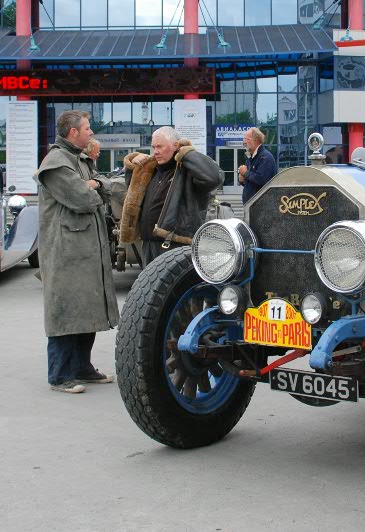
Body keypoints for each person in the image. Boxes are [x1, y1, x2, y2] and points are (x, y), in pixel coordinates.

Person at [34, 110, 120, 394]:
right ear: (73, 132)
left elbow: (104, 185)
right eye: (87, 128)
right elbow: (83, 199)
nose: (91, 132)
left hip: (84, 253)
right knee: (66, 312)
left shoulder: (79, 160)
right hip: (65, 255)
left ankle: (82, 367)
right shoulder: (57, 163)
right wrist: (93, 186)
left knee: (87, 309)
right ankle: (59, 375)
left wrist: (94, 183)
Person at [120, 126, 223, 266]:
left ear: (176, 146)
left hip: (176, 245)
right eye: (153, 147)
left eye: (160, 147)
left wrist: (186, 152)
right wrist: (134, 166)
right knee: (150, 288)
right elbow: (132, 192)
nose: (155, 152)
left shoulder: (187, 171)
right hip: (149, 244)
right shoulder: (151, 170)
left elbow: (214, 178)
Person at [238, 127, 276, 203]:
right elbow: (252, 181)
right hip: (251, 206)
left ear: (256, 140)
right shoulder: (250, 158)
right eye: (244, 139)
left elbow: (261, 180)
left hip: (261, 207)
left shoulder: (265, 157)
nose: (244, 142)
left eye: (247, 139)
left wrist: (245, 173)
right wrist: (242, 180)